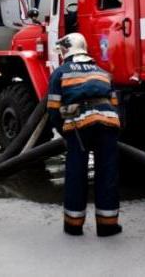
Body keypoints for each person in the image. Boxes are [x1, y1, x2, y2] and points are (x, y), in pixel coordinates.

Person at [46, 33, 122, 237]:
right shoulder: (102, 72)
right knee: (107, 174)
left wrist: (63, 129)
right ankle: (108, 226)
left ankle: (74, 225)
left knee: (76, 174)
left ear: (68, 50)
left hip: (79, 128)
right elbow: (115, 104)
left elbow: (53, 108)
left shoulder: (61, 72)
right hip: (108, 125)